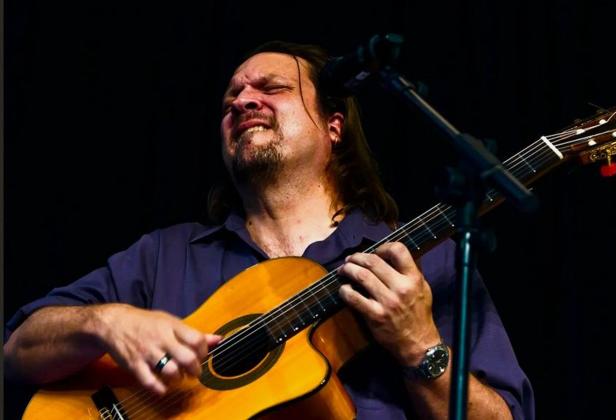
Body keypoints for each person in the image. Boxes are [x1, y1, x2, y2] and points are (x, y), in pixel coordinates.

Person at [4, 40, 535, 419]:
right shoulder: (165, 255)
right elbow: (16, 352)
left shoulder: (422, 261)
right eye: (231, 97)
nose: (241, 101)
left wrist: (421, 346)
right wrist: (107, 321)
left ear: (334, 126)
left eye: (271, 88)